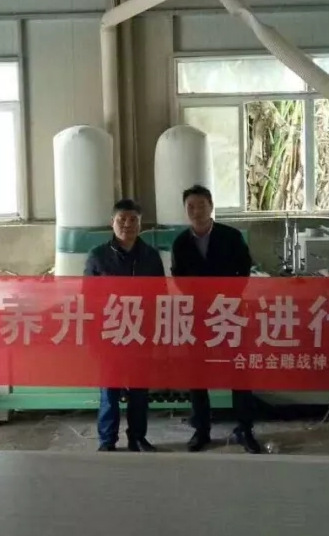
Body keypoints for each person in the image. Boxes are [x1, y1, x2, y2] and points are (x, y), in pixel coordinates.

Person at [171, 184, 262, 454]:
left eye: (201, 205)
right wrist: (200, 297)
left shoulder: (231, 236)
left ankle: (245, 429)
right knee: (197, 373)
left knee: (239, 371)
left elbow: (244, 271)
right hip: (197, 314)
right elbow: (178, 278)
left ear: (211, 206)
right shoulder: (180, 243)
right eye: (190, 206)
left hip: (229, 312)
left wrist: (224, 297)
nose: (196, 211)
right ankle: (202, 430)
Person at [85, 199, 165, 452]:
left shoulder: (151, 256)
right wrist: (93, 338)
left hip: (141, 333)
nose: (127, 225)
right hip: (109, 334)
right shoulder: (98, 256)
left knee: (139, 391)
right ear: (112, 222)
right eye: (122, 219)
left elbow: (160, 295)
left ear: (140, 225)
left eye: (133, 220)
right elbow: (88, 298)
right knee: (109, 391)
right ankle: (107, 441)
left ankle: (137, 437)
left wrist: (157, 332)